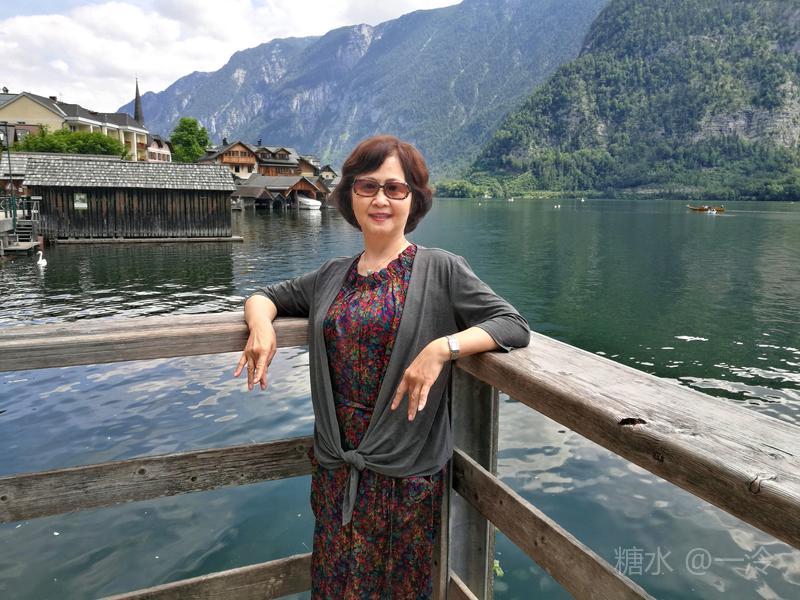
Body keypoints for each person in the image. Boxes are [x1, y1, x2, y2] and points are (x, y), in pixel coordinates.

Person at [235, 135, 529, 598]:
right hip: (337, 469)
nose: (380, 199)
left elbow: (512, 324)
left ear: (414, 199)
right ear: (350, 195)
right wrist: (261, 328)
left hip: (404, 475)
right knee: (334, 586)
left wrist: (443, 348)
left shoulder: (441, 270)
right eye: (367, 186)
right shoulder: (332, 275)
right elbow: (263, 296)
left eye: (395, 188)